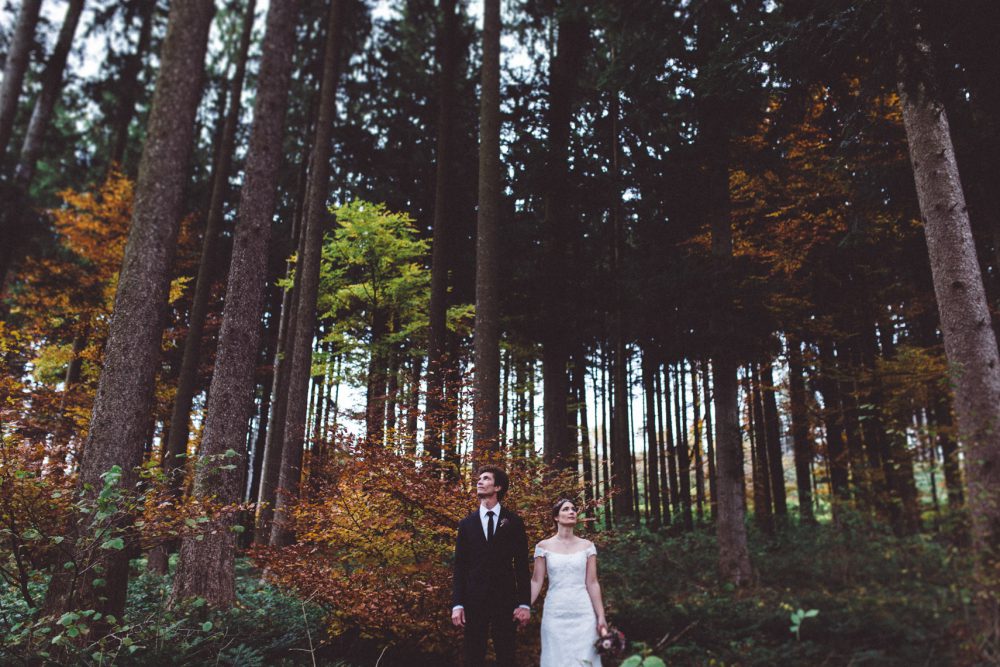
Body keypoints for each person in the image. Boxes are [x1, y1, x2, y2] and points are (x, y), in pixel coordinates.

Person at [451, 465, 531, 666]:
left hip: (505, 601)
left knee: (506, 656)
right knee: (473, 656)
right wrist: (457, 604)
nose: (479, 481)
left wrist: (524, 604)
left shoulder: (513, 522)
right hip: (473, 601)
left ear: (498, 487)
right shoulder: (466, 524)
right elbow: (460, 567)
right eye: (479, 478)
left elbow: (521, 565)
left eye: (485, 478)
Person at [531, 498, 608, 667]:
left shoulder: (587, 546)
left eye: (573, 509)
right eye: (566, 509)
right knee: (556, 658)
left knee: (584, 658)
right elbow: (537, 581)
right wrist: (523, 606)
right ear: (556, 517)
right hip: (555, 612)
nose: (572, 512)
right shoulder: (543, 546)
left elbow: (592, 582)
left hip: (583, 613)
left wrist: (600, 615)